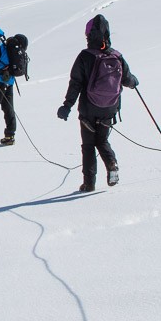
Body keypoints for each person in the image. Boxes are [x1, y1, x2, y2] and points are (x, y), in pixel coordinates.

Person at [57, 14, 138, 193]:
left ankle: (89, 183)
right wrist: (134, 82)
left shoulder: (85, 56)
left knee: (88, 145)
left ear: (88, 35)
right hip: (109, 108)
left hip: (88, 109)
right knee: (102, 141)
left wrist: (67, 106)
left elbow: (75, 83)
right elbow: (127, 80)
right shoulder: (116, 55)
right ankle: (112, 164)